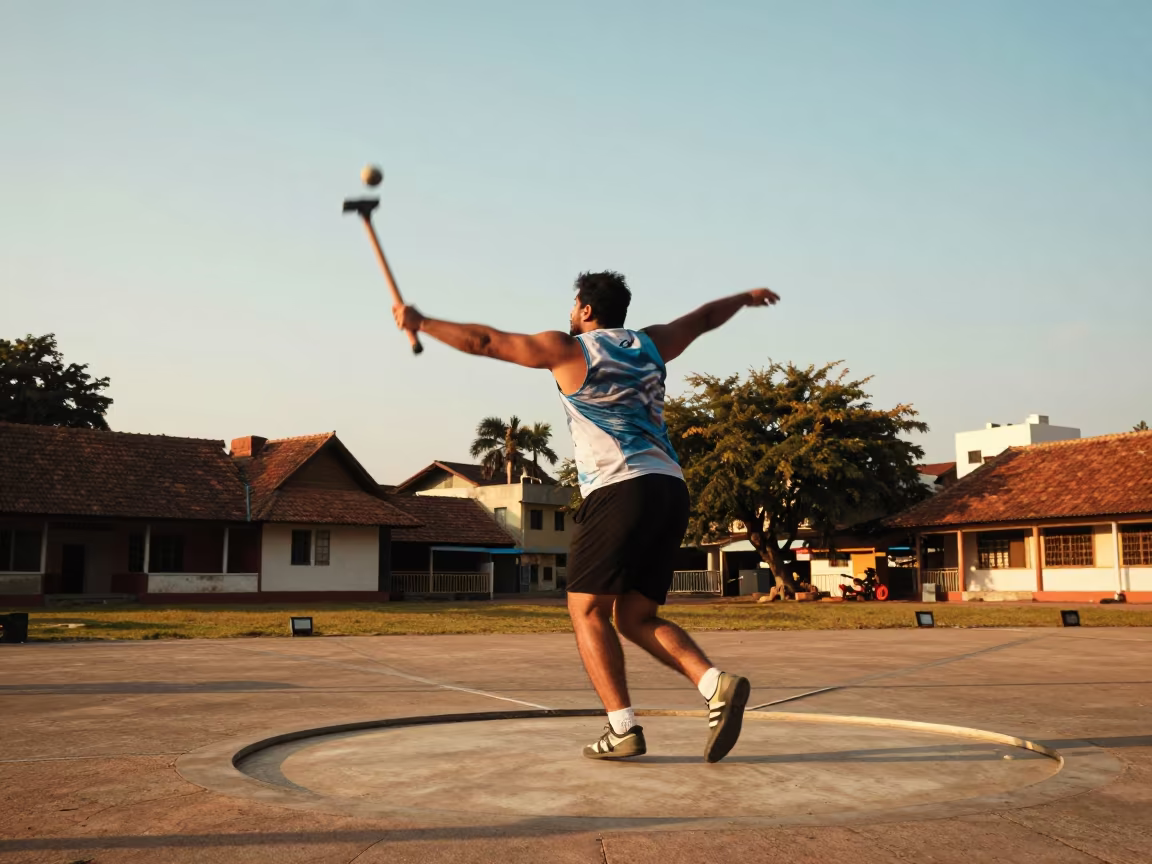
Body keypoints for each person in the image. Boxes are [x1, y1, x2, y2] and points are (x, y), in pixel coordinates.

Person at [392, 271, 780, 762]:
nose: (571, 313)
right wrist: (744, 298)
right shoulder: (652, 343)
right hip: (669, 488)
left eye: (574, 306)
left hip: (620, 489)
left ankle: (622, 728)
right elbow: (703, 318)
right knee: (635, 616)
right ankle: (713, 682)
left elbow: (486, 341)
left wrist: (422, 321)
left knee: (586, 609)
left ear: (588, 311)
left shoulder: (569, 350)